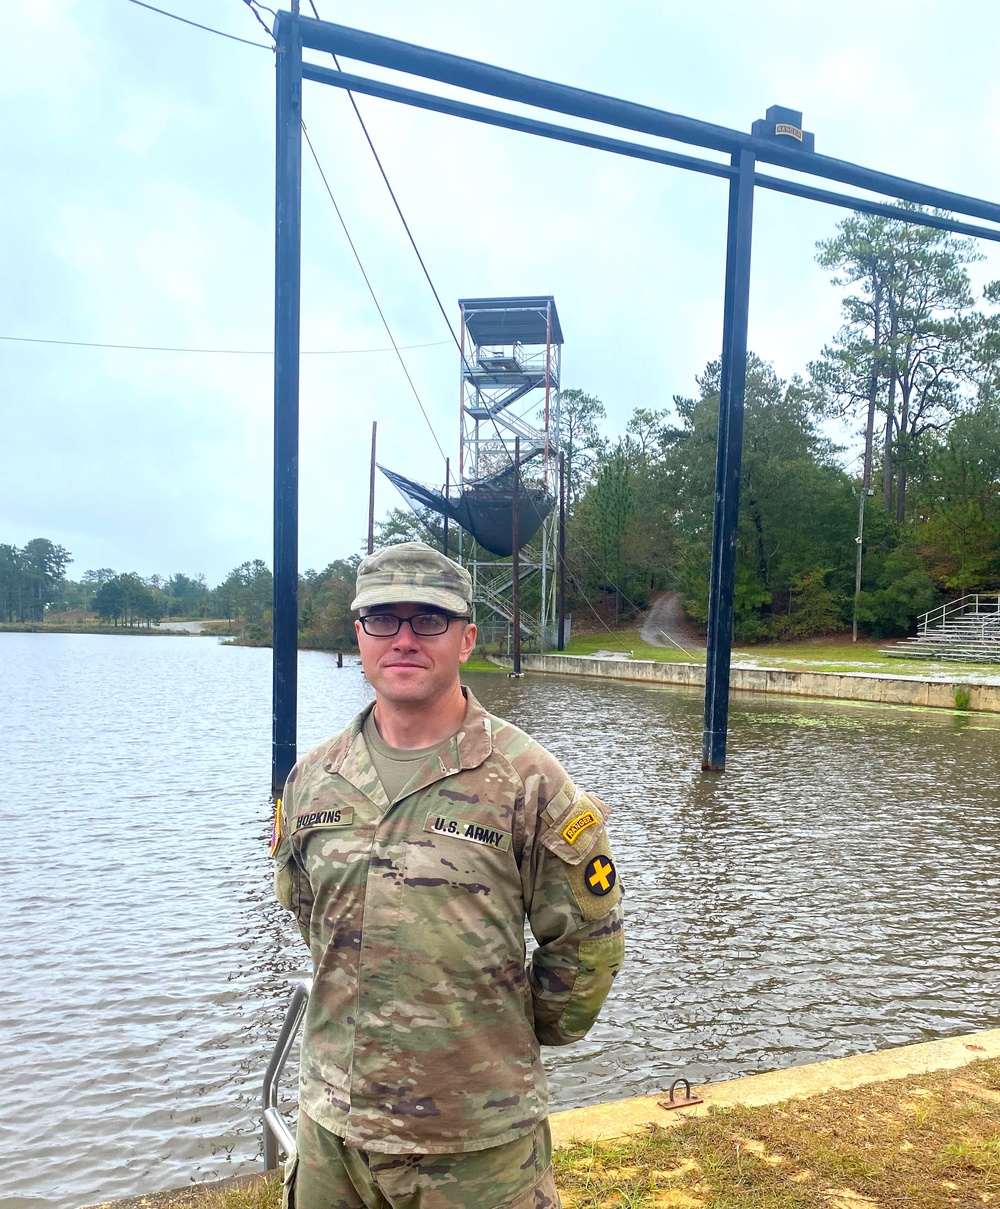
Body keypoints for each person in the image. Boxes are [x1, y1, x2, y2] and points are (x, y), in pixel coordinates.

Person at [272, 541, 625, 1209]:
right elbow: (307, 910)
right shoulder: (313, 778)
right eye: (383, 619)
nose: (404, 638)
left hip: (476, 1144)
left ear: (466, 637)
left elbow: (588, 944)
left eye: (427, 620)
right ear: (359, 635)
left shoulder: (530, 780)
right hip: (333, 1135)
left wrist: (494, 1031)